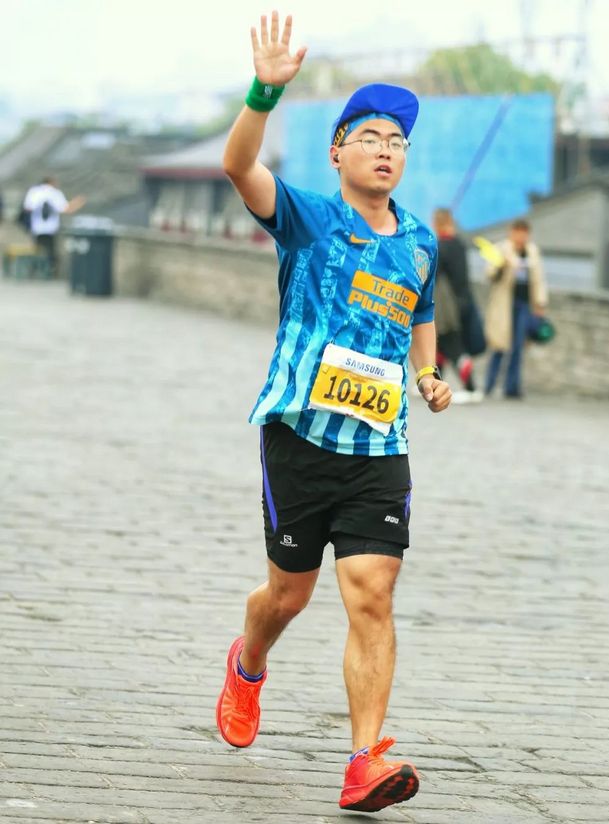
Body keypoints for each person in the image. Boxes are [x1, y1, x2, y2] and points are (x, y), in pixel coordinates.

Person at [215, 11, 452, 814]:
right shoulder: (309, 218)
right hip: (299, 437)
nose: (387, 149)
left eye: (399, 141)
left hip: (380, 447)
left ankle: (364, 760)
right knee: (288, 595)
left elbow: (420, 314)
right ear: (338, 150)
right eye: (371, 135)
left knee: (372, 592)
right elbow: (238, 165)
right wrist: (263, 92)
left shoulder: (420, 243)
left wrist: (430, 374)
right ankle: (248, 663)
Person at [484, 218, 548, 398]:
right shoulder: (502, 250)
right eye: (518, 232)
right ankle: (489, 384)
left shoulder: (532, 252)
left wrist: (540, 303)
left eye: (524, 233)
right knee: (499, 345)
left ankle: (512, 387)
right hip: (504, 304)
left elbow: (538, 279)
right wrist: (502, 265)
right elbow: (490, 274)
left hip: (524, 304)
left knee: (518, 345)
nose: (521, 237)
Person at [432, 207, 482, 395]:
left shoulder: (442, 246)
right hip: (462, 300)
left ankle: (470, 387)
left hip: (447, 307)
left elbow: (434, 277)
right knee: (441, 344)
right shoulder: (459, 244)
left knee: (451, 344)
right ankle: (434, 382)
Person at [22, 177, 85, 275]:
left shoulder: (34, 191)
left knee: (37, 249)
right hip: (51, 228)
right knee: (50, 251)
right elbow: (66, 209)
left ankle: (35, 270)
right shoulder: (55, 193)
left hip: (37, 227)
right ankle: (49, 272)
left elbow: (27, 207)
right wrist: (78, 202)